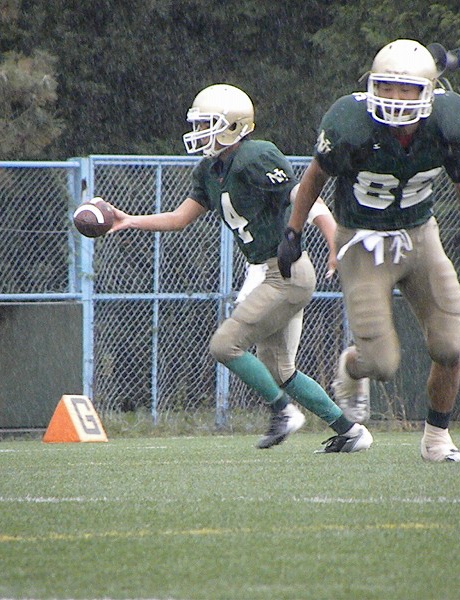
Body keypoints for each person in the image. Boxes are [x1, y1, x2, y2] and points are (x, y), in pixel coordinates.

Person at [105, 83, 372, 453]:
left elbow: (303, 197)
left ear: (232, 125)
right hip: (267, 273)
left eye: (207, 124)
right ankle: (350, 432)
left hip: (286, 272)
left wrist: (333, 240)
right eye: (198, 125)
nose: (199, 133)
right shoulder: (209, 171)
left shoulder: (255, 156)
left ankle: (283, 412)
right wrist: (128, 220)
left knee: (224, 345)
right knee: (281, 371)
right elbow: (181, 218)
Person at [278, 40, 460, 462]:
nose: (394, 98)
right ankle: (351, 368)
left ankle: (436, 440)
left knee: (449, 347)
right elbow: (313, 179)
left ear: (428, 92)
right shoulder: (351, 124)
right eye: (386, 87)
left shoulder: (451, 121)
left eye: (406, 89)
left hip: (419, 236)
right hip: (362, 240)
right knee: (382, 364)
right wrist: (293, 232)